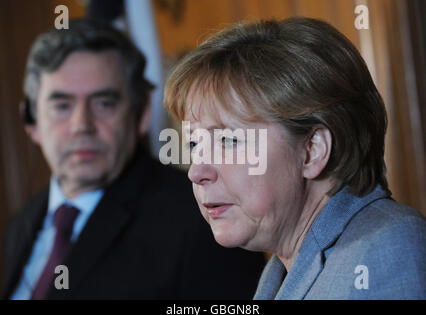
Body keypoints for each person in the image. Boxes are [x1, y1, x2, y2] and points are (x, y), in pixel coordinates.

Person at [1, 18, 266, 300]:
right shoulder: (25, 220)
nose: (82, 124)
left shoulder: (207, 220)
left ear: (141, 115)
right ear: (32, 122)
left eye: (104, 103)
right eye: (62, 106)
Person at [164, 17, 426, 299]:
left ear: (313, 150)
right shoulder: (278, 269)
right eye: (194, 143)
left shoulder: (389, 246)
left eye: (228, 140)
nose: (196, 171)